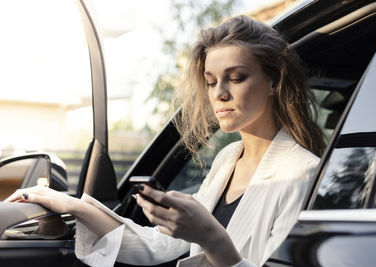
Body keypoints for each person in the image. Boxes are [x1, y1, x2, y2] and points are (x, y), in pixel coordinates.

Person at [5, 15, 325, 267]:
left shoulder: (303, 172)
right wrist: (71, 205)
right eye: (211, 82)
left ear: (273, 81)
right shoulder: (229, 158)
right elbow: (160, 245)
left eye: (237, 77)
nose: (220, 94)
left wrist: (212, 239)